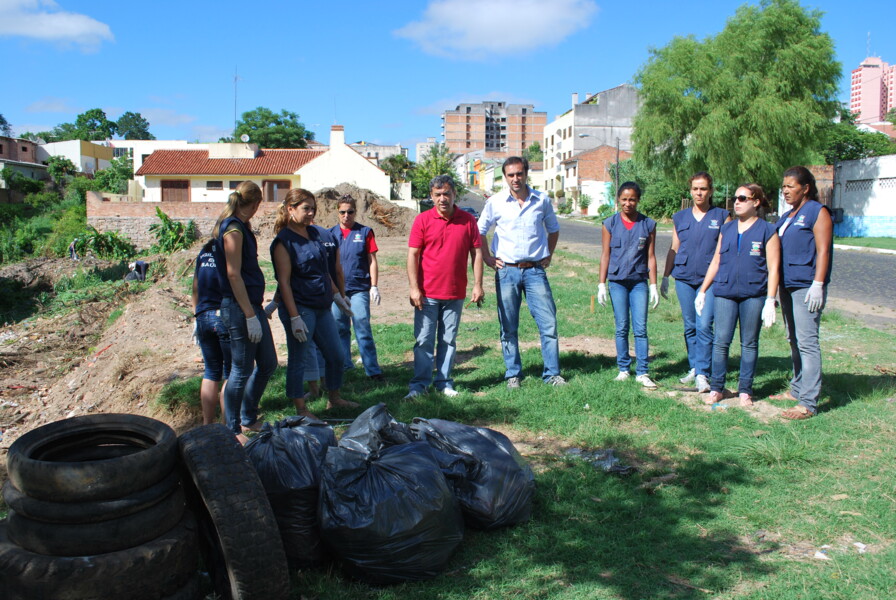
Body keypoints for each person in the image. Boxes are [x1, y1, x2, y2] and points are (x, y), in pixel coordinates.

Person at [477, 156, 566, 388]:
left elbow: (553, 230)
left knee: (548, 324)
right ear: (505, 177)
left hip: (535, 271)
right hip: (507, 271)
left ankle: (552, 374)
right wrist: (487, 257)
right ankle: (513, 374)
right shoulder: (495, 202)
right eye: (510, 175)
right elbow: (479, 231)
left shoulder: (542, 200)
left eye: (519, 174)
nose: (515, 179)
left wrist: (549, 254)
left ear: (526, 174)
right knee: (508, 326)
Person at [270, 188, 358, 417]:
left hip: (322, 307)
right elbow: (285, 283)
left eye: (313, 209)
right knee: (298, 359)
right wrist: (294, 317)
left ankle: (334, 398)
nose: (311, 213)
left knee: (336, 355)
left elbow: (323, 271)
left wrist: (338, 296)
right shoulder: (284, 242)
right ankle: (301, 409)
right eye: (306, 208)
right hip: (301, 308)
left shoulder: (316, 235)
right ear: (291, 210)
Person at [696, 184, 780, 407]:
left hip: (753, 294)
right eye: (735, 198)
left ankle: (745, 390)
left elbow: (773, 268)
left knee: (749, 343)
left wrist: (770, 300)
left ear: (756, 202)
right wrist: (703, 290)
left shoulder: (767, 230)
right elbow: (716, 260)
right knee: (721, 341)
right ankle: (717, 387)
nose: (737, 202)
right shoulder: (727, 229)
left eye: (743, 198)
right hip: (725, 292)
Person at [405, 175, 483, 399]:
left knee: (449, 339)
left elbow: (476, 253)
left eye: (446, 193)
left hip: (455, 293)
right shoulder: (422, 220)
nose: (442, 199)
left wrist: (478, 285)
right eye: (437, 195)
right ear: (431, 197)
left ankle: (444, 382)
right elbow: (413, 254)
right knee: (424, 340)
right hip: (427, 293)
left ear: (454, 194)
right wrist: (414, 288)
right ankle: (419, 385)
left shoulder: (468, 220)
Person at [214, 181, 276, 437]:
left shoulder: (241, 227)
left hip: (253, 306)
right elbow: (233, 274)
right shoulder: (234, 230)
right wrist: (249, 315)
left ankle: (248, 417)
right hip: (240, 308)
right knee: (241, 370)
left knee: (268, 363)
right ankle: (232, 428)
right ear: (255, 203)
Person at [661, 172, 730, 392]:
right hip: (683, 277)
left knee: (703, 325)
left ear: (710, 191)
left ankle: (703, 373)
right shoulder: (680, 217)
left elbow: (725, 251)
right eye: (695, 189)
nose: (698, 193)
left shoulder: (721, 216)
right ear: (690, 191)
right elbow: (674, 247)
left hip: (708, 281)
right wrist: (665, 276)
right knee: (690, 326)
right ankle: (694, 367)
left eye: (703, 189)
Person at [775, 166, 833, 420]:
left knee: (808, 342)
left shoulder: (817, 212)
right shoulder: (788, 215)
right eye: (784, 186)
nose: (785, 190)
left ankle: (808, 402)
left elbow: (824, 251)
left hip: (806, 286)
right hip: (787, 285)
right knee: (793, 338)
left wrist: (818, 284)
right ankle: (797, 388)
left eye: (790, 186)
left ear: (805, 188)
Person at [597, 182, 659, 389]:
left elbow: (651, 256)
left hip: (639, 282)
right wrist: (601, 284)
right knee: (622, 326)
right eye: (624, 199)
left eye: (632, 199)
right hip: (617, 283)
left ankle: (642, 372)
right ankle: (624, 368)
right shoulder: (610, 224)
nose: (628, 203)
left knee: (640, 328)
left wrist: (653, 285)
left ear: (638, 200)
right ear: (618, 200)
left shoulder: (648, 224)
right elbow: (605, 255)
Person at [328, 195, 385, 382]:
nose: (346, 216)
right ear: (337, 212)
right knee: (339, 329)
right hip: (337, 291)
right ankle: (344, 365)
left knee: (362, 326)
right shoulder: (329, 235)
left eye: (350, 212)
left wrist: (374, 286)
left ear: (355, 211)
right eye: (342, 212)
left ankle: (372, 370)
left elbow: (372, 261)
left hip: (359, 288)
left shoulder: (365, 232)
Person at [191, 240, 231, 425]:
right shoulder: (228, 251)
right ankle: (227, 423)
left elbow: (195, 287)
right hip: (223, 315)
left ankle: (208, 423)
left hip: (203, 316)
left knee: (211, 371)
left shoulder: (204, 252)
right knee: (232, 372)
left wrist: (196, 316)